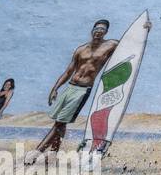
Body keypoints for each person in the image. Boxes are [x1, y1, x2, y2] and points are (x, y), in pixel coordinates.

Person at [24, 21, 118, 164]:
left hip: (82, 90)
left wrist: (145, 28)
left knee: (59, 123)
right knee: (60, 123)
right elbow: (68, 71)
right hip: (70, 87)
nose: (99, 31)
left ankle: (37, 153)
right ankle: (53, 154)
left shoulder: (110, 45)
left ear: (106, 32)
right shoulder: (81, 49)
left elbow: (131, 42)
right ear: (92, 30)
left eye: (102, 29)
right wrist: (55, 88)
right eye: (97, 28)